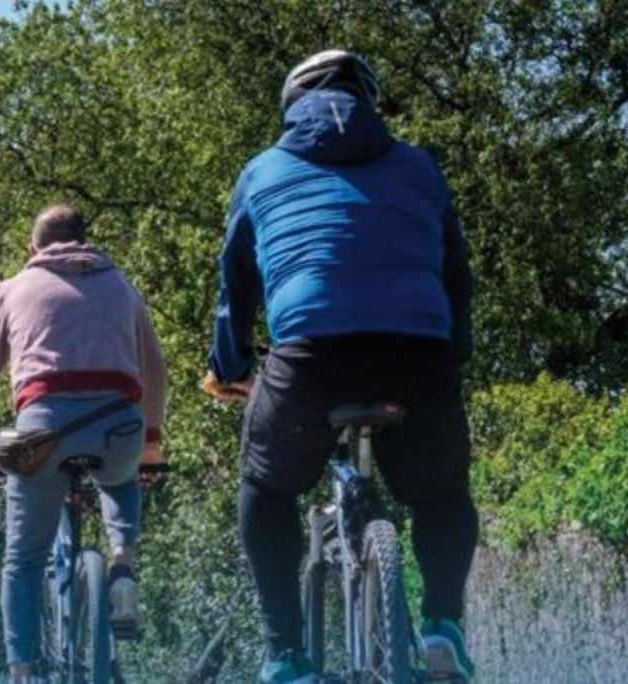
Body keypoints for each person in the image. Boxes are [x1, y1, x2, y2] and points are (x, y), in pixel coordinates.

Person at [203, 50, 477, 683]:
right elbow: (457, 275)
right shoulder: (420, 167)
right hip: (417, 356)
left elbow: (234, 285)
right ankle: (442, 626)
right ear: (370, 102)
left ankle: (285, 656)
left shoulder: (263, 170)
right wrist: (452, 360)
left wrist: (231, 363)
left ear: (289, 105)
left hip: (310, 358)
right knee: (442, 495)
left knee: (267, 490)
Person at [0, 204, 166, 684]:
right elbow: (155, 370)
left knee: (23, 559)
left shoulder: (13, 289)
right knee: (123, 475)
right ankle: (121, 562)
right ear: (85, 240)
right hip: (118, 423)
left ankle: (23, 669)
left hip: (44, 431)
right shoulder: (125, 288)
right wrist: (151, 439)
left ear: (33, 247)